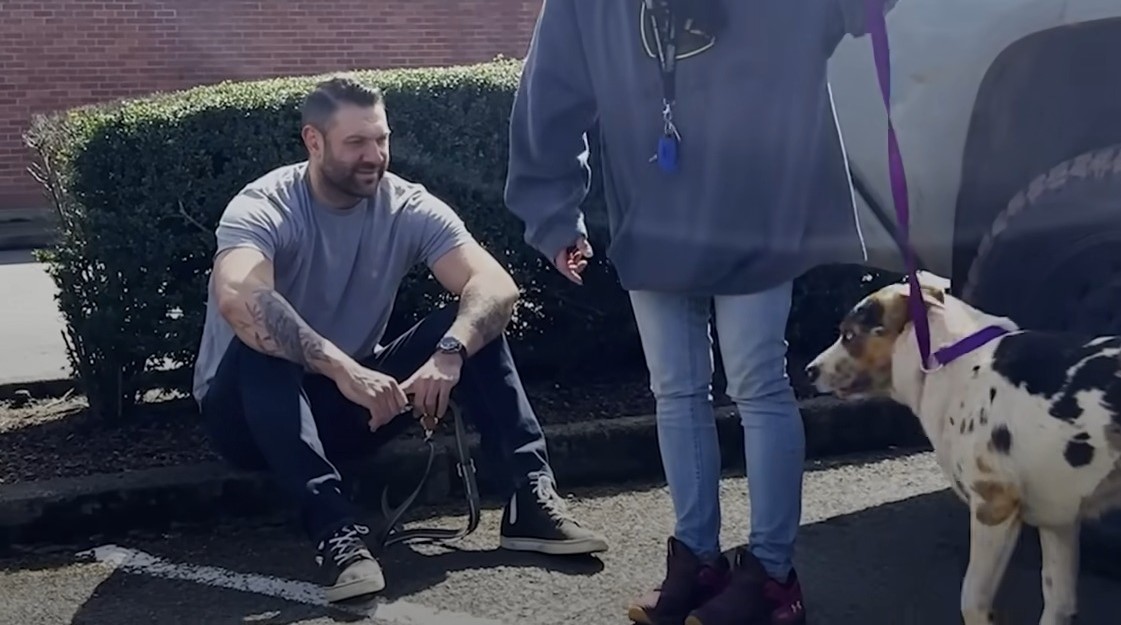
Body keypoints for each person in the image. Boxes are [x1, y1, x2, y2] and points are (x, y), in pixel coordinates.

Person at [504, 0, 888, 623]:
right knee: (675, 390)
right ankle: (697, 562)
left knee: (757, 384)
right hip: (654, 210)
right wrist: (553, 214)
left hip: (754, 211)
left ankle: (771, 576)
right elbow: (550, 94)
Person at [192, 75, 609, 604]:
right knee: (266, 333)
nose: (373, 156)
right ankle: (337, 533)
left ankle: (529, 496)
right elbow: (240, 297)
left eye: (381, 139)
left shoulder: (406, 205)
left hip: (348, 408)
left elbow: (496, 285)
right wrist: (345, 368)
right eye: (356, 143)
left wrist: (450, 352)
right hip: (247, 417)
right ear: (313, 141)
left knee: (473, 324)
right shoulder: (267, 204)